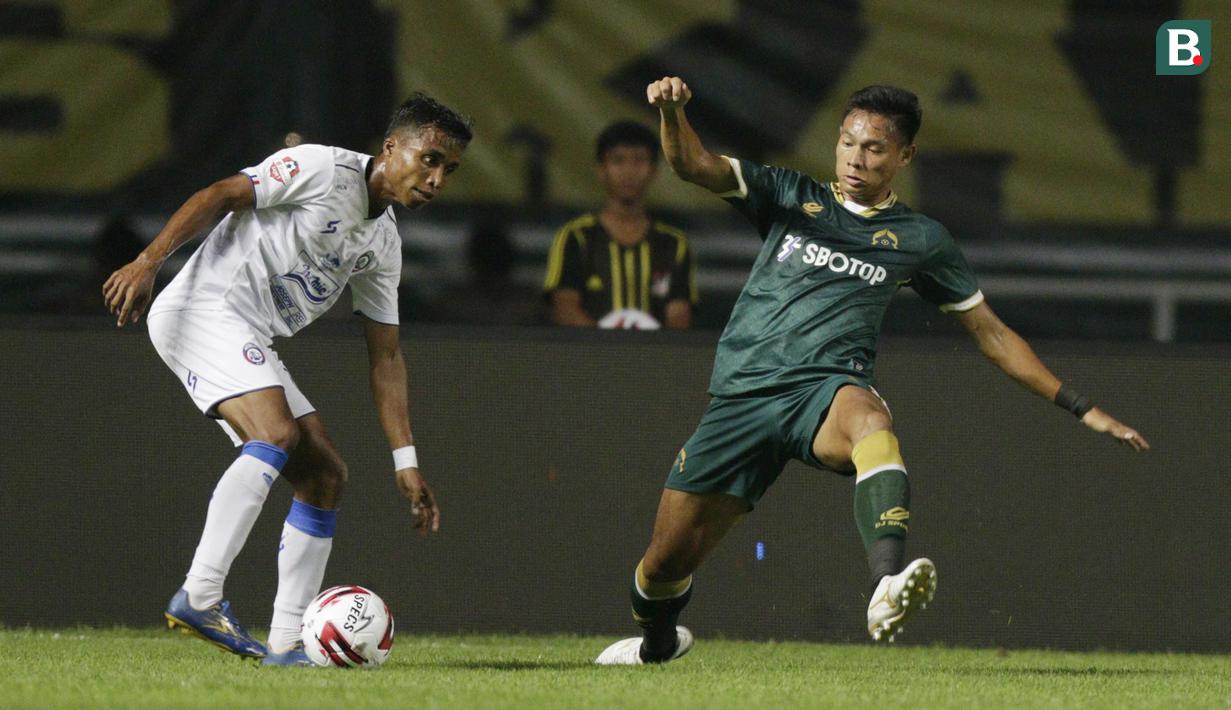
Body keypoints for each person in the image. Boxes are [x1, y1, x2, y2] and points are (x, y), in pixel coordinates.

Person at [595, 77, 1150, 665]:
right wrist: (674, 113)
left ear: (904, 156)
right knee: (664, 565)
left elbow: (990, 332)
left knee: (870, 420)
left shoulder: (920, 240)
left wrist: (1081, 406)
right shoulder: (788, 194)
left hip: (823, 392)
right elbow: (691, 165)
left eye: (875, 148)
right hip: (742, 398)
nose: (857, 158)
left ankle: (886, 581)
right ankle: (657, 642)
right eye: (848, 143)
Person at [102, 93, 471, 666]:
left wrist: (406, 461)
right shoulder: (324, 168)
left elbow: (387, 358)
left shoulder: (383, 244)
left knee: (324, 474)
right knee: (274, 434)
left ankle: (287, 644)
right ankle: (200, 594)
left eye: (448, 169)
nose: (437, 178)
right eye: (429, 159)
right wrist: (149, 260)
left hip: (248, 333)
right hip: (203, 309)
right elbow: (220, 194)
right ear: (392, 146)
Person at [544, 120, 698, 330]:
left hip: (655, 361)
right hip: (589, 359)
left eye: (639, 160)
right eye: (618, 160)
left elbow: (679, 316)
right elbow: (564, 309)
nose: (629, 171)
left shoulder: (673, 244)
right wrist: (613, 351)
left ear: (654, 171)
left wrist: (649, 353)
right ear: (601, 170)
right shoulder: (576, 237)